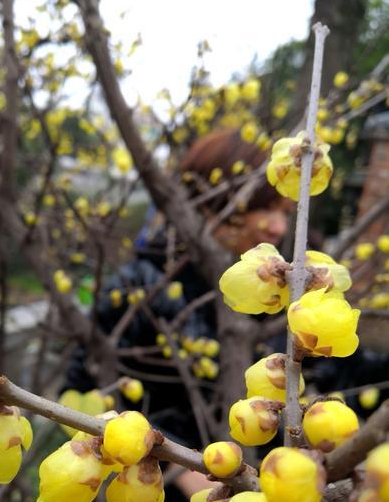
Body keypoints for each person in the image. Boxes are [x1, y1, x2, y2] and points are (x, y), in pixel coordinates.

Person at [64, 128, 292, 500]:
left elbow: (325, 367)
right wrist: (176, 462)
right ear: (209, 201)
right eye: (264, 208)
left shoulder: (271, 294)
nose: (280, 227)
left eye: (283, 212)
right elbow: (80, 394)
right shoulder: (140, 286)